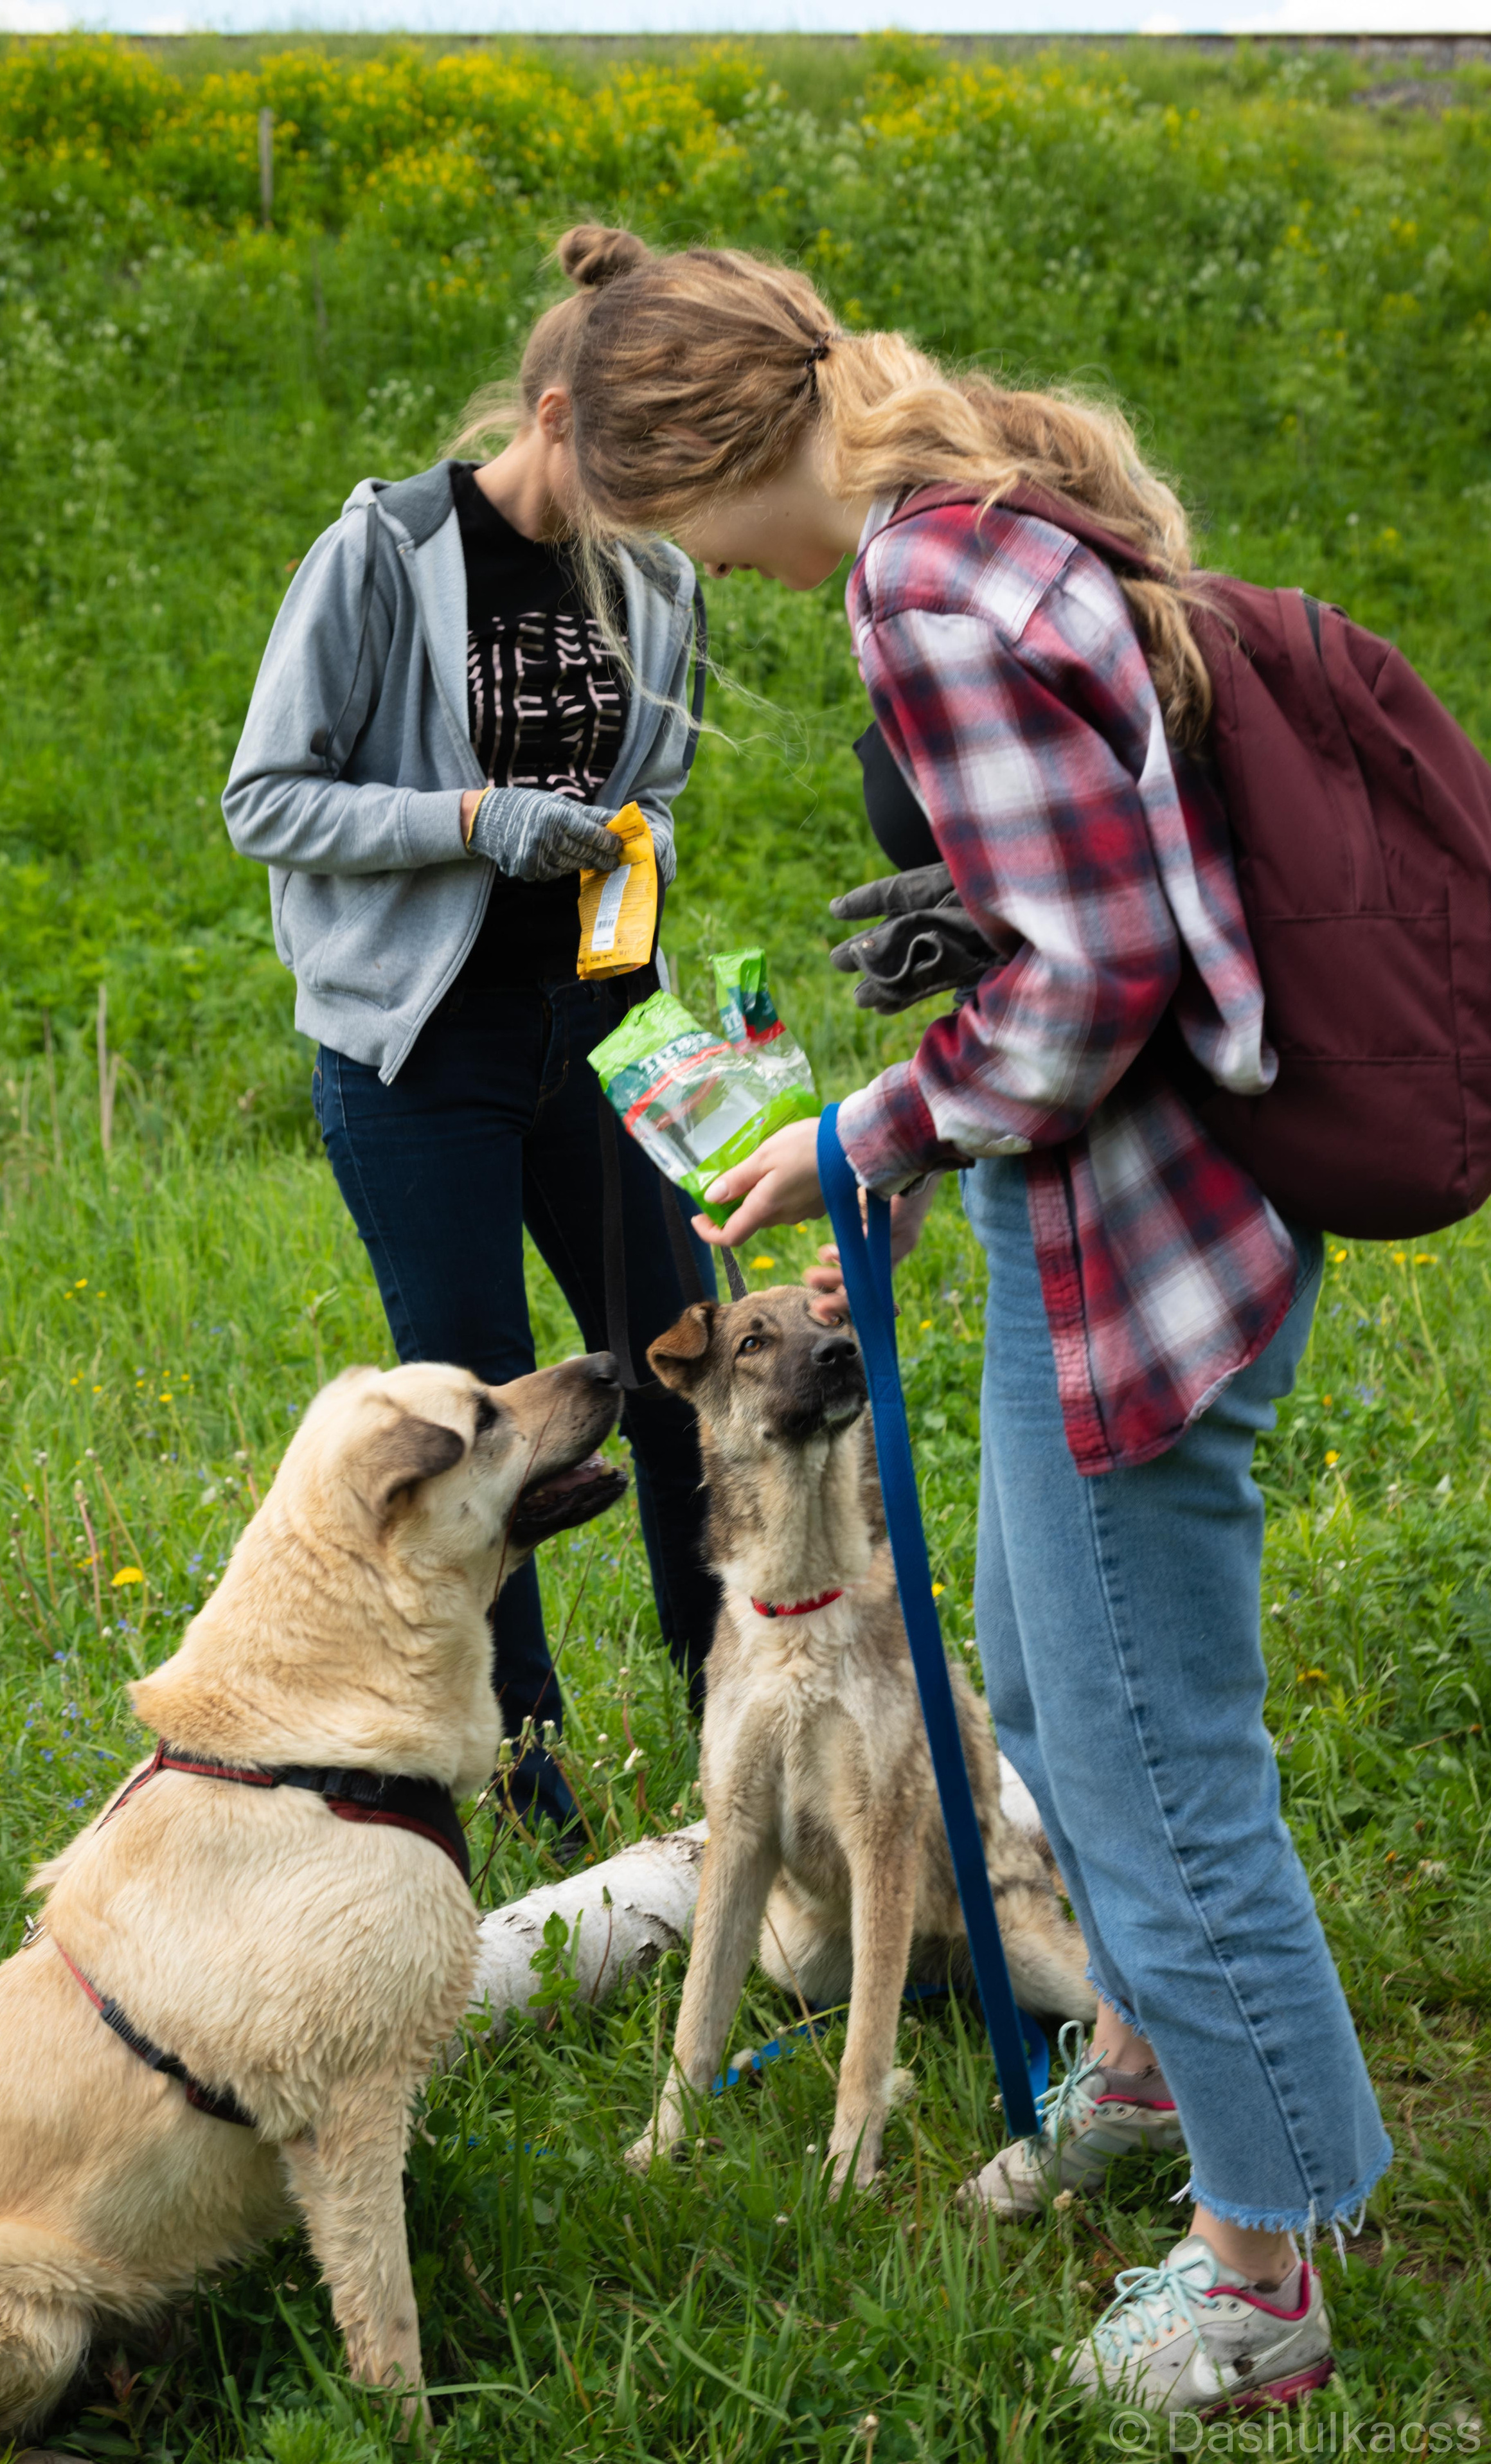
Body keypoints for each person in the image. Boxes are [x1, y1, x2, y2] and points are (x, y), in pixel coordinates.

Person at [551, 225, 1391, 2415]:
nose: (711, 584)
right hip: (1116, 1215)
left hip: (1141, 1240)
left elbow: (1099, 980)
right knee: (1039, 1671)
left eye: (680, 540)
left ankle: (1264, 2264)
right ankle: (1141, 2068)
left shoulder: (920, 585)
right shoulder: (998, 515)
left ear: (712, 468)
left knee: (1145, 1757)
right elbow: (1106, 893)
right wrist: (963, 976)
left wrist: (869, 1124)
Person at [222, 227, 720, 1839]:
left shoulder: (658, 570)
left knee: (683, 1367)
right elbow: (267, 798)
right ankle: (530, 1781)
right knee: (482, 1426)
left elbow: (660, 769)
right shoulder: (381, 553)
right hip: (417, 1056)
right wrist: (468, 819)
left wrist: (632, 833)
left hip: (594, 1039)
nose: (655, 510)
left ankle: (740, 1721)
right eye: (634, 465)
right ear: (556, 414)